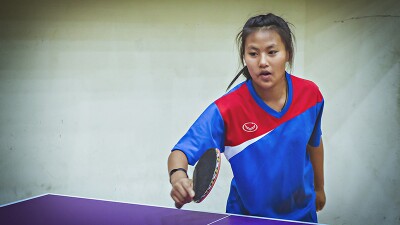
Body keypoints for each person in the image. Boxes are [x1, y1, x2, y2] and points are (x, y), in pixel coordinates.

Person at [167, 13, 326, 223]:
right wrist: (178, 177)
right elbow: (180, 151)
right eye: (253, 53)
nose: (263, 62)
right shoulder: (228, 109)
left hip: (302, 215)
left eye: (272, 52)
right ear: (244, 57)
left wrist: (319, 187)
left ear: (287, 53)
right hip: (247, 217)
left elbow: (314, 143)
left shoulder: (310, 95)